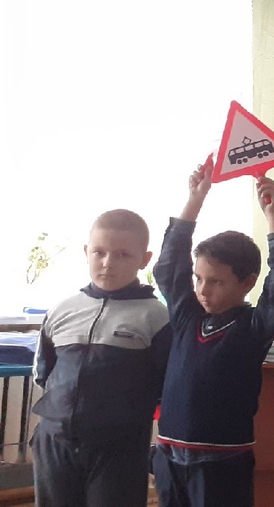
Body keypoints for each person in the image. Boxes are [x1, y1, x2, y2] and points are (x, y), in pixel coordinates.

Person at [151, 163, 274, 507]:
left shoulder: (253, 326)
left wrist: (273, 216)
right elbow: (169, 267)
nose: (203, 290)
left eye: (216, 282)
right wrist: (195, 199)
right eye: (199, 279)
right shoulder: (188, 317)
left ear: (247, 282)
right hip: (169, 453)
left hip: (222, 459)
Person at [31, 209, 171, 507]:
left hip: (119, 448)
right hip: (55, 441)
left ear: (145, 259)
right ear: (86, 252)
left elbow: (165, 386)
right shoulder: (61, 311)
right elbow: (44, 373)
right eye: (99, 252)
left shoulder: (156, 317)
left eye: (122, 255)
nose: (108, 263)